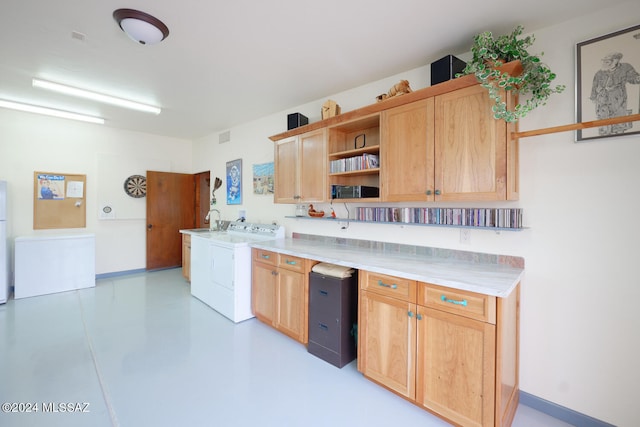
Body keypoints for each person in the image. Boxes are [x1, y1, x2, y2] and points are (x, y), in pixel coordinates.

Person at [590, 52, 640, 136]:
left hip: (618, 101)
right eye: (604, 61)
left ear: (615, 61)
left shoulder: (625, 68)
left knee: (619, 125)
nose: (604, 63)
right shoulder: (599, 73)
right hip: (602, 103)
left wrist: (637, 78)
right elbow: (594, 90)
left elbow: (634, 79)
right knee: (604, 128)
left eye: (607, 61)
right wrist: (595, 98)